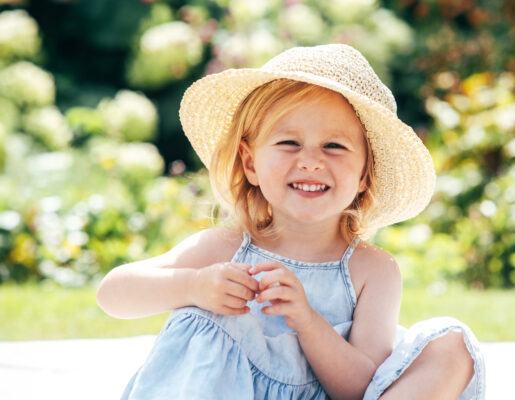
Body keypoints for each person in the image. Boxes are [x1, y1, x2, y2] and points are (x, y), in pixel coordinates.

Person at [97, 44, 485, 400]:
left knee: (454, 344)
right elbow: (112, 294)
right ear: (250, 164)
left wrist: (308, 321)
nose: (311, 160)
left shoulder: (372, 270)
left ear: (365, 174)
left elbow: (361, 390)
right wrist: (194, 285)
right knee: (208, 316)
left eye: (334, 146)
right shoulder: (225, 249)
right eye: (289, 143)